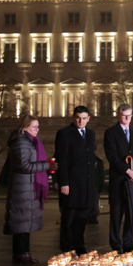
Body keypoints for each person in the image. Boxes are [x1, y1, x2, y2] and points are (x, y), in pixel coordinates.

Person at [3, 115, 58, 264]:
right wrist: (47, 166)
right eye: (34, 127)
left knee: (25, 221)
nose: (37, 130)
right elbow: (24, 165)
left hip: (28, 185)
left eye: (38, 127)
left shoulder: (30, 141)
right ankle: (20, 253)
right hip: (22, 186)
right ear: (25, 126)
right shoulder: (21, 141)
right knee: (21, 221)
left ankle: (24, 252)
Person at [54, 105, 97, 254]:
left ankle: (79, 244)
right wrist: (64, 182)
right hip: (71, 183)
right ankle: (67, 246)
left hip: (86, 184)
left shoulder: (91, 134)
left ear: (88, 119)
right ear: (74, 117)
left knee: (82, 218)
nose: (81, 121)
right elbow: (62, 160)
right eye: (78, 117)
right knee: (69, 217)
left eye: (84, 118)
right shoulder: (64, 133)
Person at [103, 103, 133, 253]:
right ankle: (116, 244)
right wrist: (128, 171)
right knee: (116, 213)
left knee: (132, 213)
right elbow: (112, 157)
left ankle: (129, 243)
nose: (126, 118)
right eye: (123, 115)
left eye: (129, 116)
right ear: (118, 115)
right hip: (119, 179)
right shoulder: (111, 133)